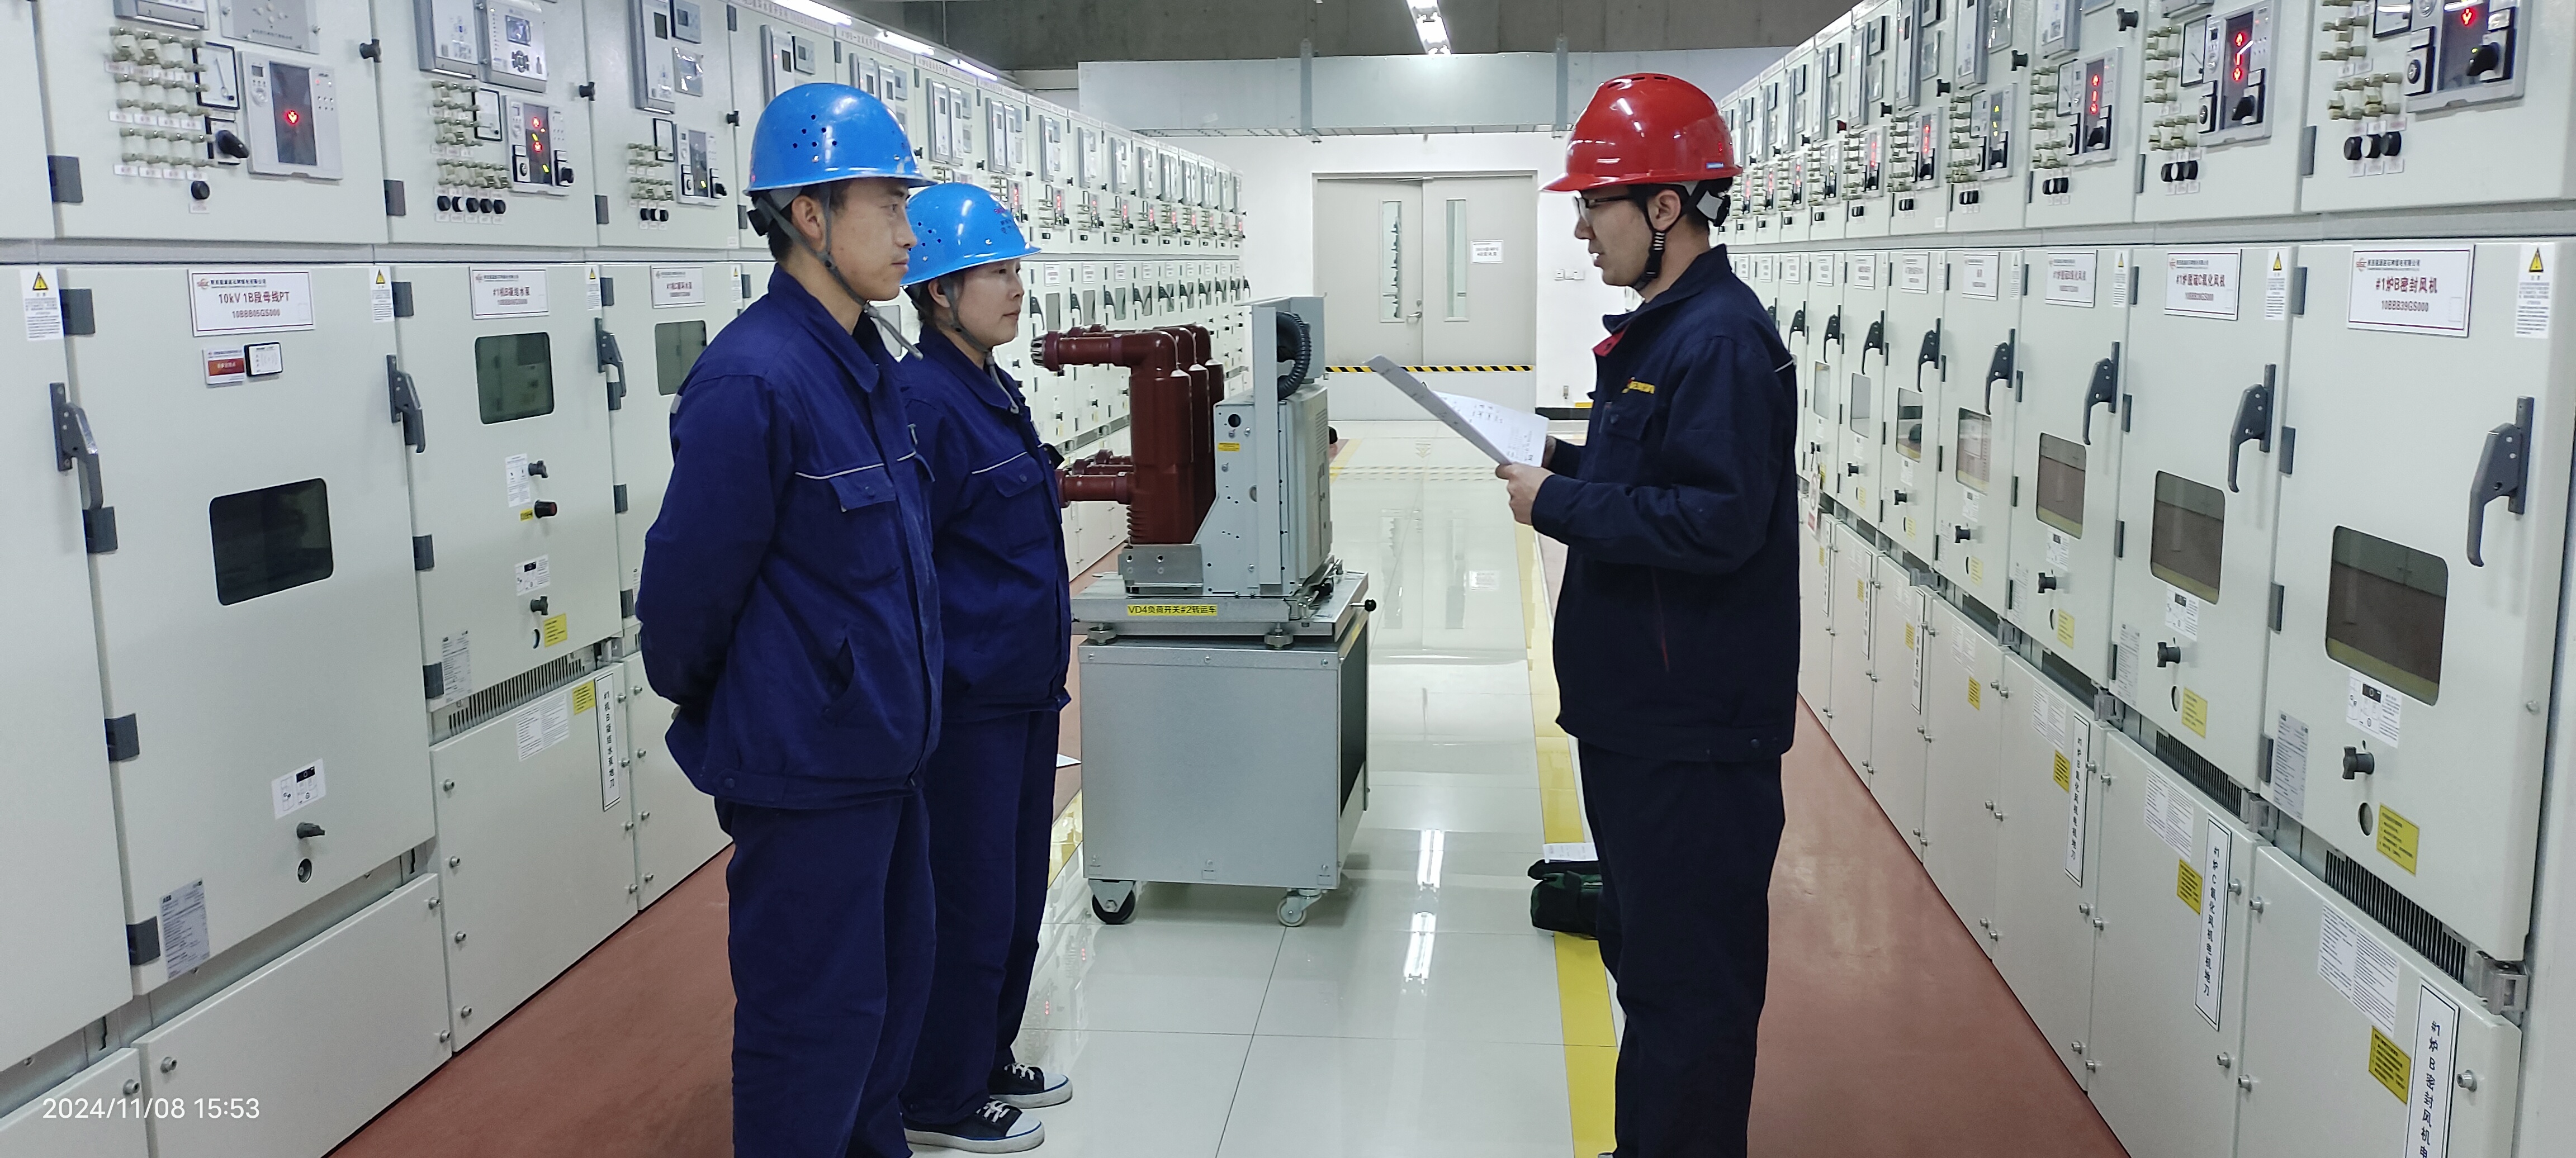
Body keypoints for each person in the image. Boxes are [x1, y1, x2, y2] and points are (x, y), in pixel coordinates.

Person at [1493, 74, 1798, 1158]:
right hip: (1644, 719)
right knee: (1651, 961)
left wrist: (1559, 502)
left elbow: (1718, 521)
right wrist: (1562, 463)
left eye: (1596, 205)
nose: (1583, 229)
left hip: (1692, 732)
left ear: (1666, 206)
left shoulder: (1718, 340)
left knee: (1689, 992)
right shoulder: (1671, 333)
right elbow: (1659, 477)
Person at [636, 83, 940, 1158]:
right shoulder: (754, 381)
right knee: (811, 1033)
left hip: (886, 760)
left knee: (885, 1011)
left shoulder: (867, 368)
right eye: (887, 206)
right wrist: (776, 703)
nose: (909, 234)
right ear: (809, 216)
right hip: (808, 771)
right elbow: (684, 603)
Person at [891, 183, 1072, 1155]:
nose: (1015, 290)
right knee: (966, 899)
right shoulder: (925, 403)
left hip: (1024, 687)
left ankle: (988, 1054)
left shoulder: (992, 389)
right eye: (995, 274)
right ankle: (940, 1093)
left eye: (1013, 271)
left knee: (1014, 894)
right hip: (969, 703)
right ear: (937, 292)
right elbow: (911, 567)